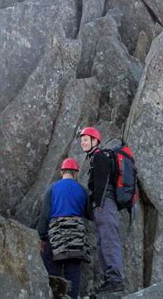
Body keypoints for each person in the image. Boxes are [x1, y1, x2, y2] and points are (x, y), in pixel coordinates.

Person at [37, 158, 89, 299]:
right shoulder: (83, 190)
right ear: (76, 173)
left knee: (53, 272)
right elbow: (89, 213)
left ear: (62, 172)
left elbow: (45, 215)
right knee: (73, 272)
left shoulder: (52, 188)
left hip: (56, 235)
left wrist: (41, 236)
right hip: (76, 235)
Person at [80, 127, 124, 294]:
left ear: (95, 141)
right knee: (102, 242)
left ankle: (115, 279)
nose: (82, 142)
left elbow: (103, 182)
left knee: (108, 240)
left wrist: (98, 203)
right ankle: (110, 279)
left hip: (105, 204)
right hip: (102, 205)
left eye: (86, 139)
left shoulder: (100, 156)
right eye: (82, 140)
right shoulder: (95, 157)